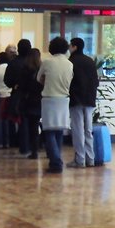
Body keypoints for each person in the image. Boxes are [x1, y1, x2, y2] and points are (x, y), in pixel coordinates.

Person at [37, 36, 73, 174]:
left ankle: (56, 161)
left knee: (49, 130)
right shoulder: (69, 64)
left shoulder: (47, 62)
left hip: (49, 99)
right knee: (59, 130)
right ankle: (56, 159)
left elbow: (38, 78)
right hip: (64, 99)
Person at [67, 37, 99, 168]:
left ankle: (80, 159)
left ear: (74, 47)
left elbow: (69, 81)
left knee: (78, 129)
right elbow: (95, 81)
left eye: (70, 45)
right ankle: (90, 158)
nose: (69, 48)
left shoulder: (71, 62)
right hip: (90, 99)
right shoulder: (90, 61)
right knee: (88, 129)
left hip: (76, 99)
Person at [4, 39, 32, 152]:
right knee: (33, 121)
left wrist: (15, 84)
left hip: (18, 94)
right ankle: (33, 146)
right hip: (33, 95)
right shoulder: (34, 61)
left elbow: (7, 80)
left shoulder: (13, 63)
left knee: (22, 121)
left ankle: (23, 146)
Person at [18, 48, 43, 159]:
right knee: (37, 125)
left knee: (29, 126)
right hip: (40, 100)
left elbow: (22, 86)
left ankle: (31, 150)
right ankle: (38, 148)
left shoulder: (25, 69)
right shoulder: (41, 69)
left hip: (28, 100)